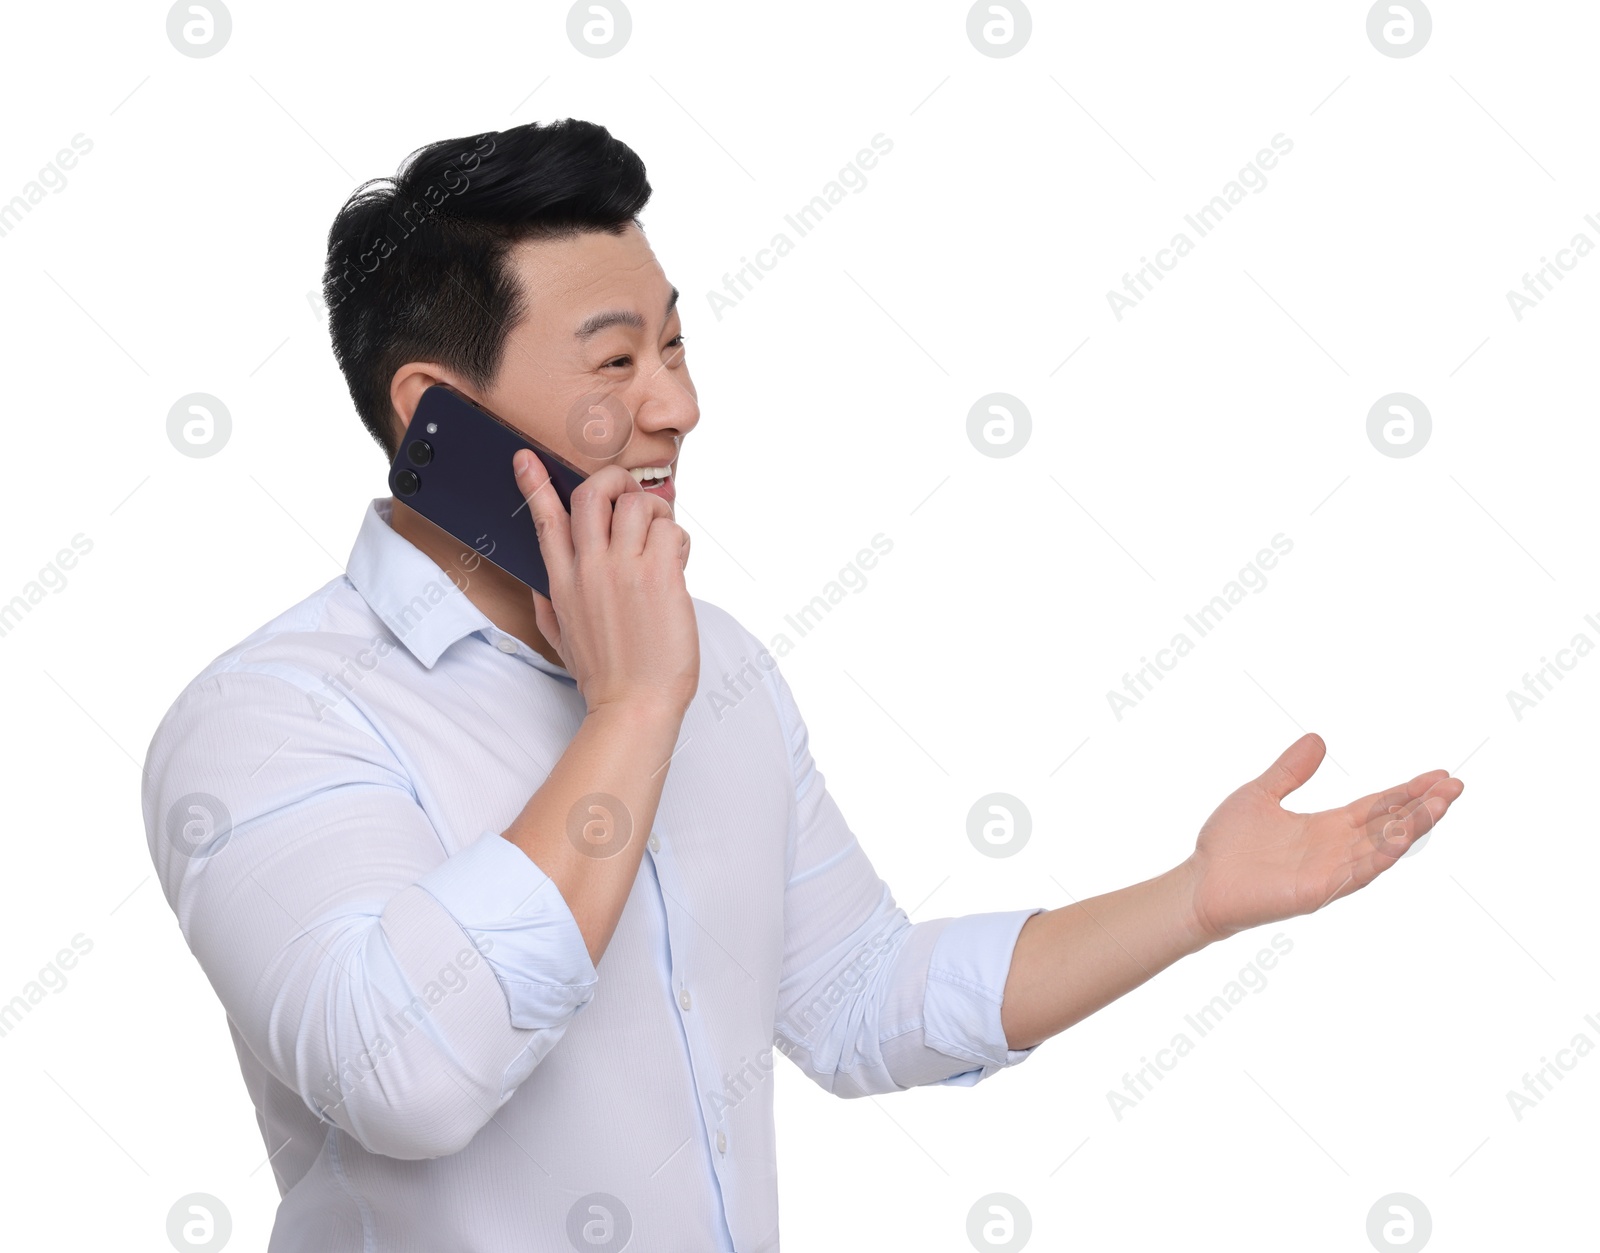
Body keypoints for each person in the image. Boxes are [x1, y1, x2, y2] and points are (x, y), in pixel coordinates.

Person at [141, 118, 1464, 1252]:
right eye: (617, 362)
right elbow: (407, 1072)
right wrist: (632, 709)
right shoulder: (271, 717)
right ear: (435, 413)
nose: (680, 407)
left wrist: (1193, 899)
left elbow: (858, 996)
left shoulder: (714, 666)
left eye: (675, 345)